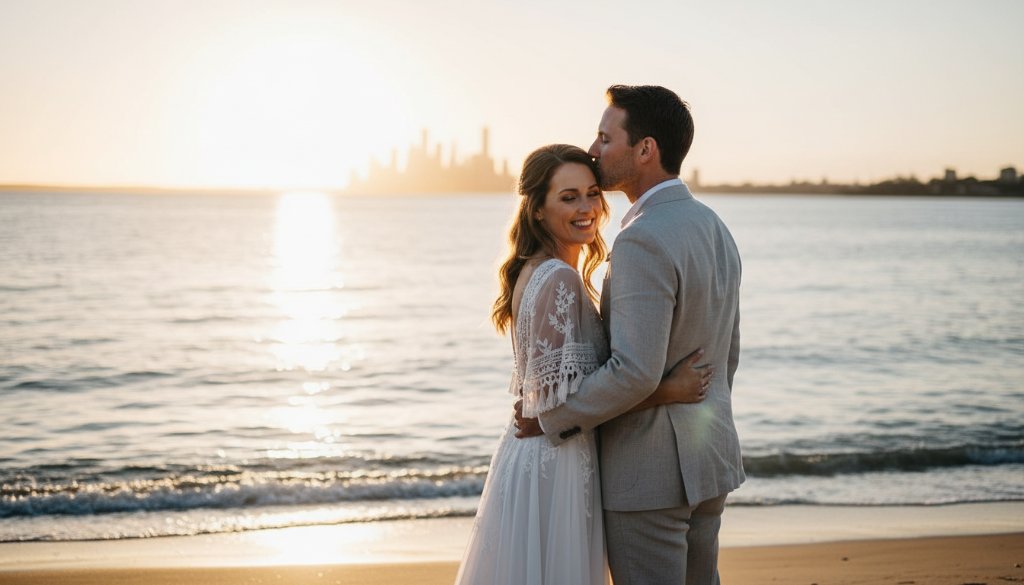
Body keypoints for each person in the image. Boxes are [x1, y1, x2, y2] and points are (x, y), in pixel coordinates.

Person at [454, 144, 713, 585]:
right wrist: (668, 389)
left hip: (537, 453)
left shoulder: (535, 270)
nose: (587, 208)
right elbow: (562, 408)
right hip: (557, 462)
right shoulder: (559, 278)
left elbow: (554, 402)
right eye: (568, 197)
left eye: (592, 194)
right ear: (537, 210)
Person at [516, 85, 744, 584]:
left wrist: (555, 418)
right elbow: (727, 355)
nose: (594, 150)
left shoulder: (642, 237)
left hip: (651, 477)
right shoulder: (714, 226)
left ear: (645, 149)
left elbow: (635, 372)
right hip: (711, 462)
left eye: (604, 137)